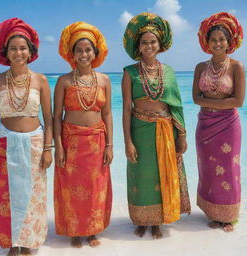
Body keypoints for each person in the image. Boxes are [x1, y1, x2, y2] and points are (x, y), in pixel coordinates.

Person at [122, 12, 191, 239]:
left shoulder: (169, 72)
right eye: (144, 42)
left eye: (153, 42)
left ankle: (159, 220)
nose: (149, 45)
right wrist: (127, 141)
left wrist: (181, 135)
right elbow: (126, 109)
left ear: (160, 44)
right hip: (139, 130)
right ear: (138, 46)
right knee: (140, 175)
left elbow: (177, 106)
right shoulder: (129, 72)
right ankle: (141, 220)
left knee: (162, 174)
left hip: (166, 130)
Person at [0, 18, 53, 256]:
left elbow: (49, 118)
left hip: (35, 144)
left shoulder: (41, 80)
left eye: (23, 48)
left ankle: (27, 243)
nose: (18, 52)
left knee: (33, 196)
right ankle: (12, 243)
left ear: (31, 52)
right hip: (4, 143)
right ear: (6, 52)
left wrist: (49, 148)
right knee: (5, 196)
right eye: (13, 48)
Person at [54, 21, 113, 248]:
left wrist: (110, 145)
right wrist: (58, 146)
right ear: (72, 53)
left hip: (97, 141)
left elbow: (107, 113)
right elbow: (56, 116)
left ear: (95, 52)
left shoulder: (105, 80)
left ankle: (92, 230)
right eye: (79, 50)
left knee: (95, 187)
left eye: (88, 49)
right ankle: (75, 231)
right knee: (71, 187)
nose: (84, 54)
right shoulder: (64, 81)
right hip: (71, 141)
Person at [193, 12, 245, 232]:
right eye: (213, 39)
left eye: (222, 39)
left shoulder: (236, 67)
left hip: (228, 126)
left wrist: (213, 103)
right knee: (208, 170)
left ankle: (229, 215)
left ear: (229, 41)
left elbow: (239, 101)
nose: (217, 43)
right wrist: (219, 101)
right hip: (204, 125)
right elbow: (196, 98)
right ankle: (213, 214)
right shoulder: (200, 67)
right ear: (207, 42)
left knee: (229, 170)